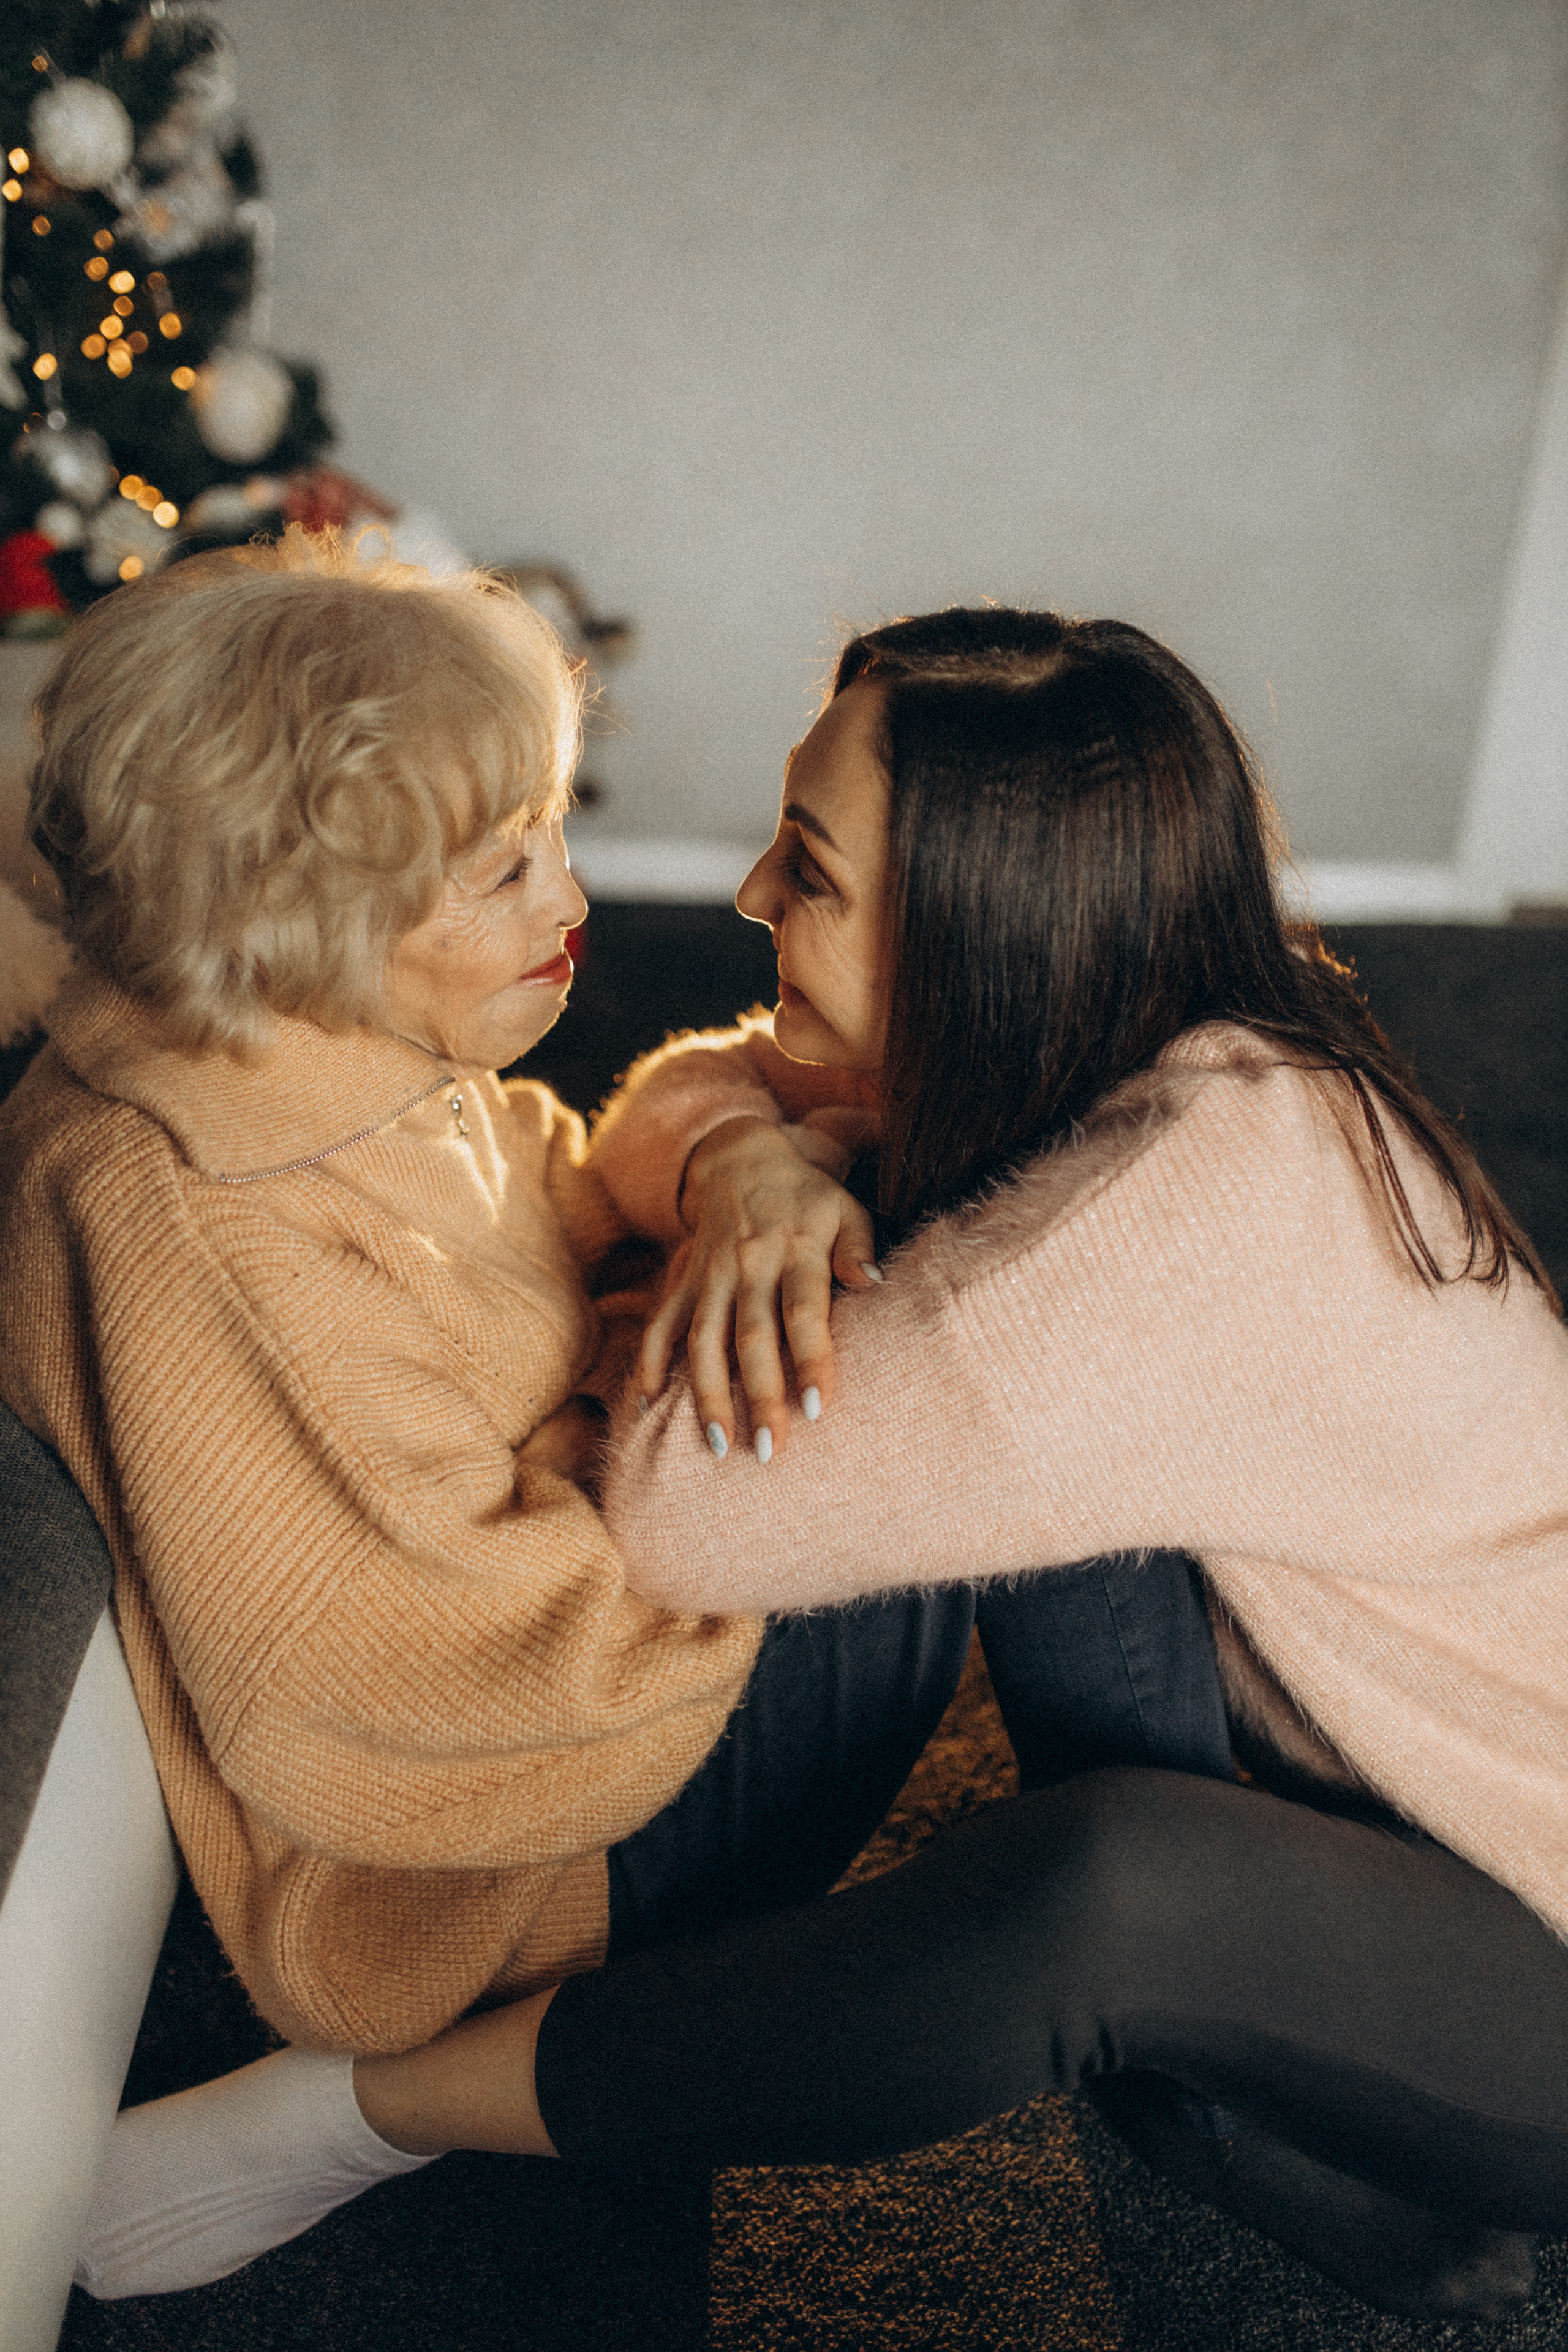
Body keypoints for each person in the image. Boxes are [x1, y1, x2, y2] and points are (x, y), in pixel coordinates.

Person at [85, 602, 1568, 2327]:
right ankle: (1249, 2103)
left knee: (1110, 1891)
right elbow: (679, 1102)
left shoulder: (1181, 1230)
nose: (745, 903)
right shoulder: (1155, 1036)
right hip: (1402, 1802)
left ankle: (353, 2121)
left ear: (983, 925)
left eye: (810, 869)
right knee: (983, 1385)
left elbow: (691, 1509)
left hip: (1536, 1936)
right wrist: (750, 1170)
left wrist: (781, 1204)